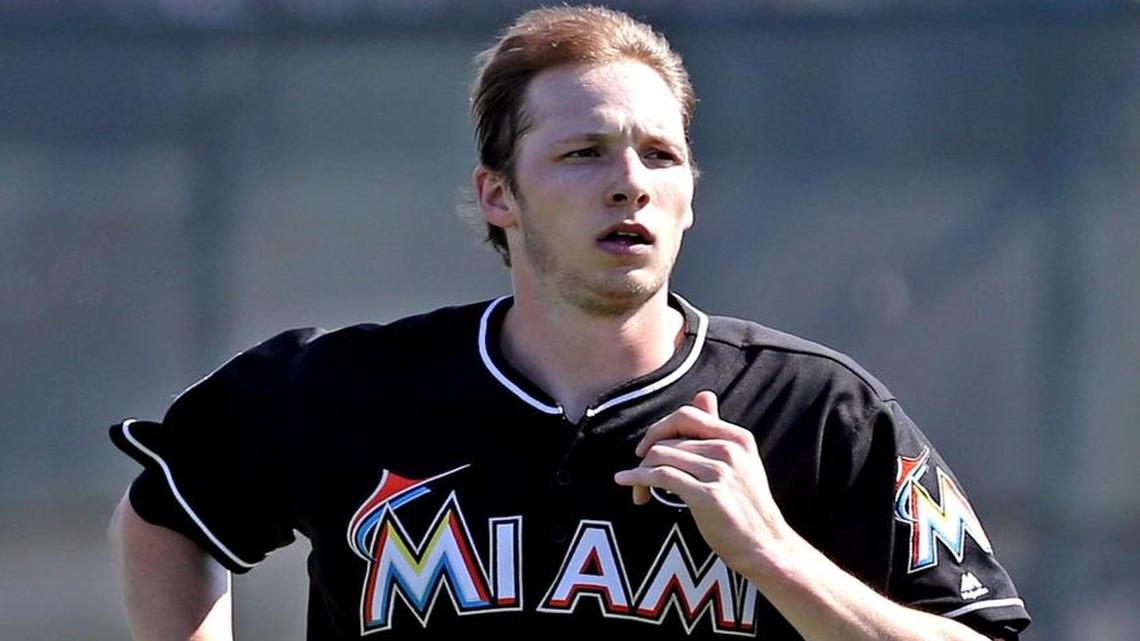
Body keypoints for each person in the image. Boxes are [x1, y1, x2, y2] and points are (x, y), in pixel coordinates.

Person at [108, 6, 1031, 641]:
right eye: (584, 152)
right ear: (497, 194)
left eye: (660, 155)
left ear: (690, 197)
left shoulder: (816, 410)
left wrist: (776, 552)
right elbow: (165, 516)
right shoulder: (350, 389)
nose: (629, 180)